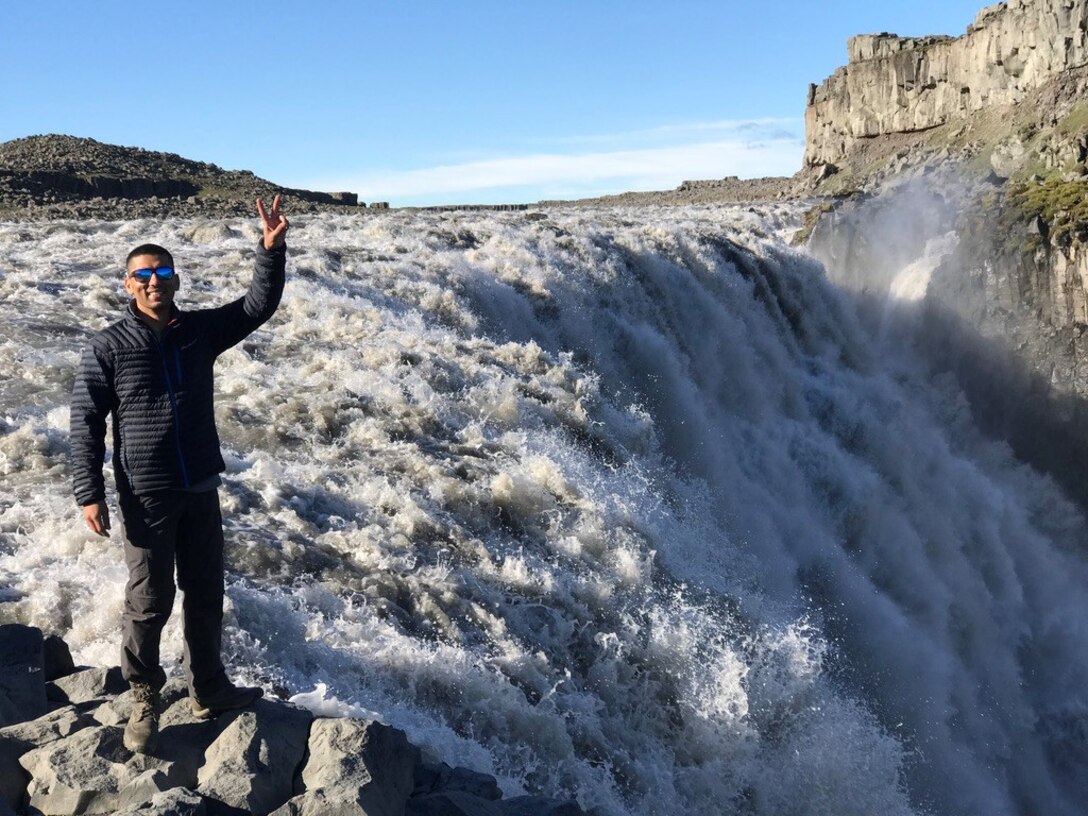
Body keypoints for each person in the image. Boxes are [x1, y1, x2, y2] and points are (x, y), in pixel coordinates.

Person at [69, 196, 289, 753]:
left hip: (200, 485)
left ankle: (208, 687)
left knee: (206, 592)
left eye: (163, 273)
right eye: (143, 275)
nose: (154, 282)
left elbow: (256, 307)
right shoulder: (108, 346)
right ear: (127, 284)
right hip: (147, 492)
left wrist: (270, 250)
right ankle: (144, 696)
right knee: (149, 600)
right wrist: (89, 493)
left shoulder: (198, 332)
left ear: (175, 280)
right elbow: (86, 422)